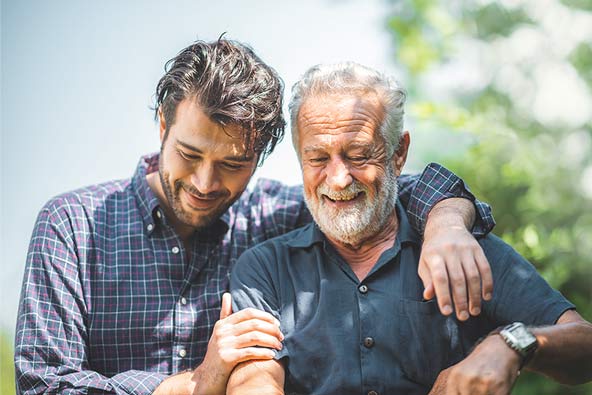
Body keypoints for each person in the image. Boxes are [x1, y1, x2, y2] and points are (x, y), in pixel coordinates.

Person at [14, 39, 496, 395]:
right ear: (163, 125)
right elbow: (42, 386)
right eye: (188, 154)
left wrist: (447, 222)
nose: (205, 183)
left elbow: (380, 189)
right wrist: (188, 386)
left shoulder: (276, 214)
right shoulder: (72, 226)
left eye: (231, 165)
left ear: (262, 156)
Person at [227, 62, 592, 395]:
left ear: (398, 154)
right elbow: (253, 382)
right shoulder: (265, 269)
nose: (338, 179)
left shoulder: (460, 248)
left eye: (358, 155)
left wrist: (510, 343)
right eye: (318, 158)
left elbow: (584, 343)